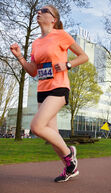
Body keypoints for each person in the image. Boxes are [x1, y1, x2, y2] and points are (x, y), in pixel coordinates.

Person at [10, 5, 88, 182]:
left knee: (37, 127)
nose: (39, 12)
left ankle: (70, 154)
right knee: (52, 134)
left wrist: (68, 65)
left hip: (59, 87)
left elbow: (83, 56)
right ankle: (70, 168)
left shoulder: (61, 35)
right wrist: (19, 56)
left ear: (53, 19)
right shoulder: (36, 43)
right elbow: (33, 71)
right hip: (42, 90)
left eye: (44, 10)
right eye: (38, 10)